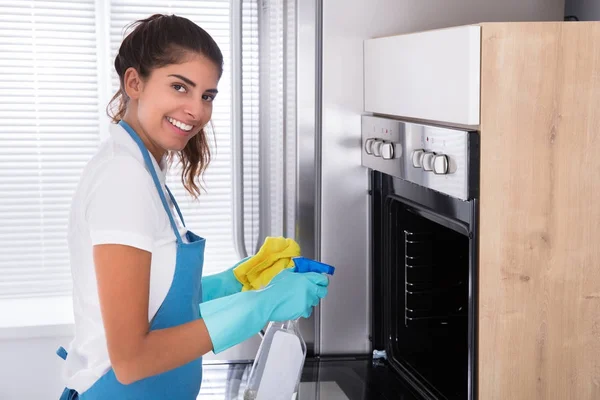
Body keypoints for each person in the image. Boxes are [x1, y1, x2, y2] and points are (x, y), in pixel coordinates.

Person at [57, 14, 329, 400]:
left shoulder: (144, 169)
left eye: (207, 95)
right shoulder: (123, 179)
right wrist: (262, 304)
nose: (196, 110)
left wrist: (237, 279)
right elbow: (131, 360)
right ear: (135, 83)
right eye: (179, 87)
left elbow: (155, 300)